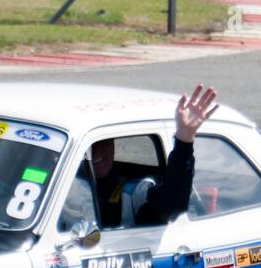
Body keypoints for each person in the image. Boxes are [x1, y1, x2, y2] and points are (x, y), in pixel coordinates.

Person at [90, 84, 219, 227]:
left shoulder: (132, 191)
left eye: (104, 141)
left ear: (113, 144)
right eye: (92, 144)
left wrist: (184, 140)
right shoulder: (70, 179)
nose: (97, 150)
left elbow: (171, 203)